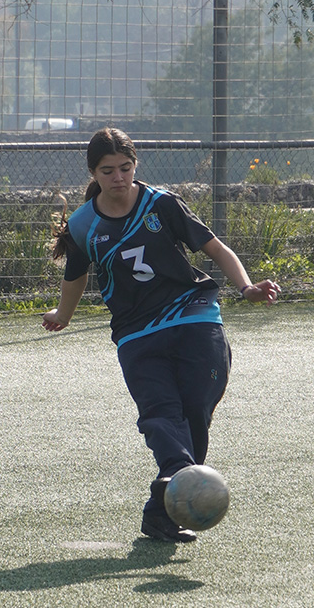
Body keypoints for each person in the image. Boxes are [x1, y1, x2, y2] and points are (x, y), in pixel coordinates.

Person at [42, 126, 280, 541]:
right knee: (160, 413)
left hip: (194, 317)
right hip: (137, 333)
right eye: (108, 171)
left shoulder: (162, 204)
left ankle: (163, 504)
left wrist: (246, 288)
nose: (118, 177)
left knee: (195, 412)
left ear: (135, 165)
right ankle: (171, 495)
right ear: (93, 173)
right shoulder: (83, 224)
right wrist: (63, 313)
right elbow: (75, 274)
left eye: (125, 168)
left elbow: (216, 248)